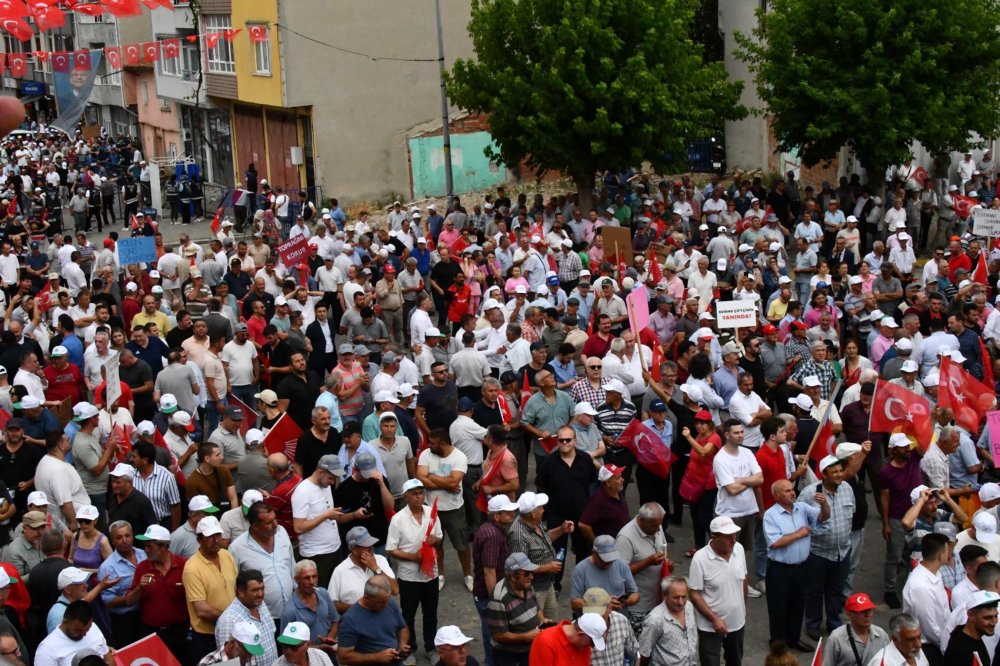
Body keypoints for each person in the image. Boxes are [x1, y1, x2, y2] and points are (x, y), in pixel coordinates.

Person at [764, 478, 829, 651]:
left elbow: (823, 517)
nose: (792, 492)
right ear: (776, 496)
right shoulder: (771, 515)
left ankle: (794, 638)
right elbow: (775, 542)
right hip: (779, 569)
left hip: (801, 567)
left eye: (792, 489)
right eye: (786, 490)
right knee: (778, 606)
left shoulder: (802, 508)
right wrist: (799, 534)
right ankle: (778, 643)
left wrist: (824, 505)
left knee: (798, 604)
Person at [801, 455, 856, 640]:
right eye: (834, 472)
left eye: (841, 471)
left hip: (842, 551)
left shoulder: (847, 489)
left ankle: (834, 623)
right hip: (818, 552)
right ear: (824, 475)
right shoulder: (810, 493)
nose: (839, 475)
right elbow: (800, 519)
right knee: (814, 591)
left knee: (836, 590)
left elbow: (852, 514)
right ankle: (813, 625)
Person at [386, 478, 443, 656]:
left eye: (421, 493)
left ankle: (431, 647)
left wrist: (436, 540)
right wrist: (413, 557)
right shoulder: (398, 519)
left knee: (431, 614)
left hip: (430, 575)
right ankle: (409, 648)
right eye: (415, 494)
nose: (419, 497)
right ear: (406, 497)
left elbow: (439, 536)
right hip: (409, 576)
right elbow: (391, 549)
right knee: (408, 616)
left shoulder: (431, 513)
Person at [125, 524, 190, 664]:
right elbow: (129, 601)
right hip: (151, 633)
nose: (146, 550)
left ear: (164, 547)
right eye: (145, 546)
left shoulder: (184, 566)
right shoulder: (142, 567)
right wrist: (139, 588)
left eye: (150, 546)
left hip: (179, 633)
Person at [712, 419, 764, 596]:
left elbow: (760, 479)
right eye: (737, 433)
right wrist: (749, 479)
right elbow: (732, 490)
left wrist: (741, 480)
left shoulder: (748, 453)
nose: (741, 435)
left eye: (742, 432)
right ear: (726, 435)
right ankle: (724, 589)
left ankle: (741, 584)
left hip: (748, 511)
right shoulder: (720, 459)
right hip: (730, 513)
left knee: (740, 553)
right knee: (725, 553)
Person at [688, 516, 747, 666]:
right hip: (710, 626)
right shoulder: (700, 559)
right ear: (714, 537)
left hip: (737, 623)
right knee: (710, 662)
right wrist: (714, 618)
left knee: (735, 661)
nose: (733, 540)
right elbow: (694, 593)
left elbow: (743, 579)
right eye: (728, 537)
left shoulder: (738, 549)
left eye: (734, 535)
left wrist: (742, 608)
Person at [183, 515, 238, 662]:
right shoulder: (192, 568)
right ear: (199, 540)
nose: (216, 540)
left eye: (218, 535)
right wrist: (231, 622)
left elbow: (236, 588)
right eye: (210, 536)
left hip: (231, 632)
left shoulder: (226, 555)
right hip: (207, 638)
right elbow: (202, 610)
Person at [229, 502, 295, 620]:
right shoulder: (237, 548)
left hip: (291, 612)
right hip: (261, 617)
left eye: (275, 519)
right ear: (255, 526)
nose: (275, 524)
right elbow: (233, 586)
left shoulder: (282, 532)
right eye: (269, 522)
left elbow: (291, 566)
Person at [291, 455, 350, 585]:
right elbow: (298, 527)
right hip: (316, 554)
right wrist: (325, 516)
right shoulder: (303, 492)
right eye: (330, 478)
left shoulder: (326, 485)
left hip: (335, 549)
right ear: (320, 472)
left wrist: (334, 514)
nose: (333, 482)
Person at [336, 575, 410, 666]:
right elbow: (343, 657)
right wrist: (376, 657)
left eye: (386, 601)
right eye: (381, 603)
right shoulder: (350, 620)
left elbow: (403, 628)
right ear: (367, 597)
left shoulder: (388, 603)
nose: (386, 606)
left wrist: (402, 644)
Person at [487, 551, 544, 666]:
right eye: (527, 573)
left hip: (532, 650)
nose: (531, 577)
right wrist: (526, 636)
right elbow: (498, 635)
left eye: (531, 573)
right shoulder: (499, 598)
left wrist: (543, 621)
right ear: (513, 577)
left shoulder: (526, 585)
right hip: (511, 657)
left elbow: (537, 609)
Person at [902, 532, 951, 664]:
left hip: (941, 640)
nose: (949, 554)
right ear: (940, 556)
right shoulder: (920, 586)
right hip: (927, 648)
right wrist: (948, 647)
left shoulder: (935, 574)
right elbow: (929, 628)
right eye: (947, 551)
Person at [97, 520, 148, 647]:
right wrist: (129, 598)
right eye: (119, 537)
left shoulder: (144, 554)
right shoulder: (108, 567)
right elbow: (108, 601)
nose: (125, 540)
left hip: (147, 614)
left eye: (127, 536)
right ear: (112, 541)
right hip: (125, 621)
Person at [214, 569, 278, 666]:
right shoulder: (229, 620)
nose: (260, 594)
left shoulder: (260, 604)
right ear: (241, 592)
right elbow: (229, 661)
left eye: (262, 588)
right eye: (255, 590)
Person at [329, 526, 399, 613]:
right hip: (355, 621)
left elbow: (395, 590)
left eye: (371, 544)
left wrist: (376, 568)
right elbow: (332, 604)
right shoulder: (340, 571)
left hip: (382, 616)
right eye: (367, 546)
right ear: (354, 549)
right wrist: (360, 608)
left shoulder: (380, 560)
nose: (372, 548)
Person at [281, 560, 341, 656]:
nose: (312, 582)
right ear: (297, 580)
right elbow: (287, 645)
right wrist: (318, 649)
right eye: (306, 578)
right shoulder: (289, 611)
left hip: (329, 654)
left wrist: (329, 639)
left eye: (314, 576)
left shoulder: (323, 593)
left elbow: (335, 620)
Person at [568, 535, 639, 614]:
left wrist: (626, 602)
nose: (608, 563)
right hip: (593, 620)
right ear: (593, 553)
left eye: (611, 559)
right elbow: (574, 602)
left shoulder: (621, 564)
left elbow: (635, 594)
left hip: (618, 618)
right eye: (604, 559)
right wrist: (602, 604)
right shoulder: (581, 569)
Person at [639, 576, 699, 666]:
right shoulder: (654, 620)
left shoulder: (689, 606)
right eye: (675, 597)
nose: (681, 602)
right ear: (665, 596)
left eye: (684, 597)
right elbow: (644, 653)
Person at [823, 592, 890, 666]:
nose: (868, 615)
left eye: (870, 610)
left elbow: (889, 661)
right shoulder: (836, 638)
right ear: (849, 614)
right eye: (862, 611)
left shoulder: (881, 635)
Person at [33, 600, 110, 666]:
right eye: (78, 630)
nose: (84, 634)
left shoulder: (94, 627)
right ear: (65, 622)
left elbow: (108, 658)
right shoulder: (47, 649)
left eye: (87, 629)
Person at [942, 589, 999, 665]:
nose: (993, 622)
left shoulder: (971, 637)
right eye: (987, 618)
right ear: (971, 615)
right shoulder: (960, 652)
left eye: (995, 616)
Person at [527, 612, 607, 664]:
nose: (591, 646)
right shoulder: (545, 642)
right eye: (591, 642)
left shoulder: (584, 645)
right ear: (580, 635)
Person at [199, 619, 266, 666]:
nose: (250, 655)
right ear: (232, 643)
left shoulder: (248, 655)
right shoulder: (208, 663)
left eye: (252, 651)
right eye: (246, 649)